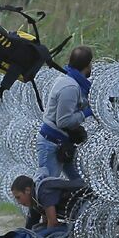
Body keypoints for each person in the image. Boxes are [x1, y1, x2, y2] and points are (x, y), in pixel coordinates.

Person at [36, 46, 94, 181]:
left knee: (79, 184)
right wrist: (87, 113)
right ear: (88, 64)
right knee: (46, 187)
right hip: (52, 143)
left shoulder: (73, 82)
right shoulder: (70, 87)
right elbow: (64, 121)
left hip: (62, 142)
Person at [10, 175, 88, 228]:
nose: (18, 202)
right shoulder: (35, 199)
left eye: (18, 197)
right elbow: (32, 224)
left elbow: (53, 222)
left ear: (27, 190)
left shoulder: (43, 191)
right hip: (79, 212)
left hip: (87, 203)